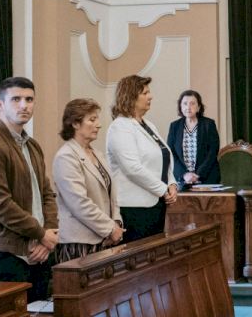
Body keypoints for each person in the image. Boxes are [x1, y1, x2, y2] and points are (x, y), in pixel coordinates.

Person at [0, 77, 58, 303]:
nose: (24, 105)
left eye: (29, 99)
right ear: (0, 105)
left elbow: (47, 194)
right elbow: (0, 206)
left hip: (37, 248)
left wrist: (48, 233)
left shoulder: (32, 145)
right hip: (2, 253)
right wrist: (41, 234)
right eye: (16, 99)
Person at [106, 75, 178, 242]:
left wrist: (172, 183)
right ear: (131, 97)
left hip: (156, 203)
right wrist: (163, 190)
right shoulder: (120, 127)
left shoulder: (148, 125)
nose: (150, 96)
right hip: (134, 207)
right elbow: (132, 168)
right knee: (139, 255)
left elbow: (163, 158)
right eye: (145, 93)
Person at [53, 98, 123, 262]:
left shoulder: (97, 154)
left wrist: (116, 222)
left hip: (104, 239)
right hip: (80, 242)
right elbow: (79, 203)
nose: (98, 125)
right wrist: (110, 228)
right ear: (75, 124)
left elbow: (111, 194)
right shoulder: (66, 156)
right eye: (92, 120)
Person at [166, 90, 221, 189]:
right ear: (180, 107)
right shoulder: (174, 126)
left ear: (199, 107)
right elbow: (171, 152)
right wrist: (185, 174)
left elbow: (213, 151)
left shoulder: (209, 124)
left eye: (192, 103)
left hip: (207, 177)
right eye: (185, 103)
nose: (188, 107)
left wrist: (198, 174)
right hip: (183, 180)